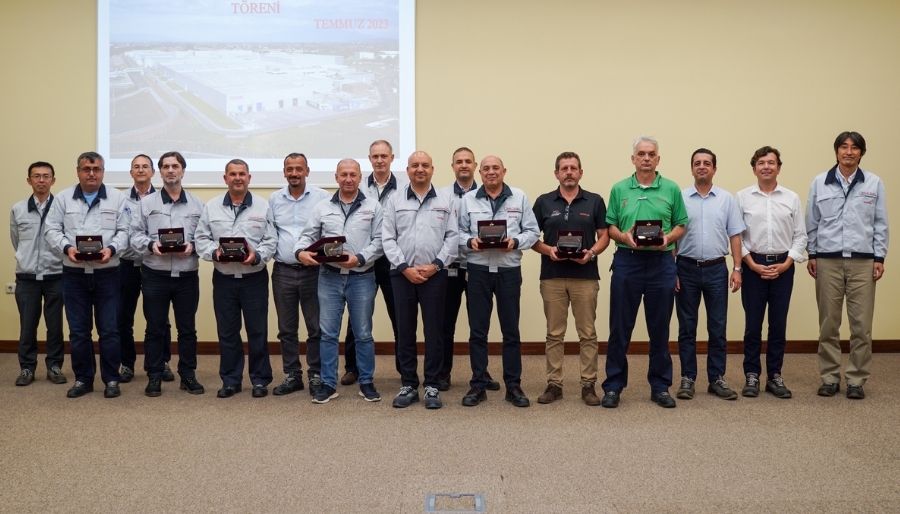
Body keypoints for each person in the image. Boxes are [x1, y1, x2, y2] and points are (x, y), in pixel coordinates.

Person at [601, 136, 687, 409]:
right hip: (628, 261)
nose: (646, 158)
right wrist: (623, 237)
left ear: (658, 159)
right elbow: (611, 227)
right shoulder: (619, 189)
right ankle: (613, 386)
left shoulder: (671, 188)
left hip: (661, 263)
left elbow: (681, 224)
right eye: (641, 154)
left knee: (660, 328)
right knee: (619, 327)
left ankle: (660, 386)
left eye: (651, 154)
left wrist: (668, 238)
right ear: (633, 159)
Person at [806, 131, 888, 400]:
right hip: (827, 261)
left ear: (861, 153)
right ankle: (829, 377)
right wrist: (812, 254)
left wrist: (879, 257)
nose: (849, 152)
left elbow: (880, 223)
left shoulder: (873, 183)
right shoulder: (820, 182)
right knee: (829, 324)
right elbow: (812, 222)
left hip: (863, 262)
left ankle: (856, 379)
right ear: (836, 151)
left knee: (861, 326)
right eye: (844, 147)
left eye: (854, 148)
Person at [295, 159, 384, 404]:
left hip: (362, 277)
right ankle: (327, 384)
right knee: (328, 334)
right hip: (329, 278)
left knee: (363, 333)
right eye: (343, 174)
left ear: (360, 177)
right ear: (336, 177)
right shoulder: (322, 207)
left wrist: (360, 258)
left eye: (353, 174)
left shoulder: (373, 206)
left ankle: (366, 382)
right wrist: (300, 252)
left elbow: (380, 240)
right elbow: (307, 236)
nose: (348, 179)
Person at [44, 151, 129, 398]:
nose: (91, 174)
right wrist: (66, 248)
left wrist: (112, 249)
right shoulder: (63, 198)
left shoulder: (117, 198)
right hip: (74, 274)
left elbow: (125, 231)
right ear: (78, 171)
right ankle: (83, 379)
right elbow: (51, 230)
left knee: (110, 330)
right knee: (79, 331)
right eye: (86, 169)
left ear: (103, 172)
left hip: (107, 273)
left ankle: (111, 379)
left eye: (96, 169)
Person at [458, 155, 540, 408]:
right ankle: (478, 384)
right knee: (478, 331)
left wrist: (515, 242)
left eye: (496, 168)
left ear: (504, 171)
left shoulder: (519, 197)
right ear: (480, 173)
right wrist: (469, 241)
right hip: (478, 270)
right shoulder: (467, 200)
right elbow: (456, 232)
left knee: (511, 331)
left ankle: (513, 386)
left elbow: (533, 232)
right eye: (486, 169)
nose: (491, 172)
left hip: (508, 271)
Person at [531, 151, 610, 405]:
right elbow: (530, 237)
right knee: (554, 333)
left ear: (580, 172)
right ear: (556, 173)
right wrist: (548, 250)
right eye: (564, 168)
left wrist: (591, 253)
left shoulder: (595, 201)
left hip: (585, 276)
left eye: (573, 168)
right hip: (552, 276)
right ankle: (554, 384)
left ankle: (588, 385)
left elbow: (605, 236)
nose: (568, 172)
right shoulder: (544, 202)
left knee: (587, 333)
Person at [195, 159, 277, 398]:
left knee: (257, 331)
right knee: (228, 331)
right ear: (225, 178)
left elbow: (271, 239)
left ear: (249, 178)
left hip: (254, 278)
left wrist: (256, 256)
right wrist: (214, 253)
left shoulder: (263, 206)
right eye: (233, 174)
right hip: (224, 279)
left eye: (242, 174)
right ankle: (231, 380)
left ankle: (260, 380)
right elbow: (201, 238)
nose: (238, 178)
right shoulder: (211, 207)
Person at [383, 151, 458, 409]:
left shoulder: (445, 200)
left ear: (432, 169)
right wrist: (405, 267)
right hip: (402, 274)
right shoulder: (394, 199)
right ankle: (408, 384)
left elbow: (452, 237)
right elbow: (388, 238)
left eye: (425, 165)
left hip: (435, 275)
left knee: (434, 330)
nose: (420, 169)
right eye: (415, 165)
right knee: (405, 330)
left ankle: (432, 385)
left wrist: (436, 265)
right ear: (407, 170)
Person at [130, 151, 205, 396]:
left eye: (175, 166)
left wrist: (194, 246)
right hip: (155, 274)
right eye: (166, 166)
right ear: (160, 172)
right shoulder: (146, 204)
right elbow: (134, 235)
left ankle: (188, 375)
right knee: (155, 328)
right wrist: (151, 245)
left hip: (186, 275)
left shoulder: (198, 204)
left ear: (183, 170)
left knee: (187, 329)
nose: (171, 170)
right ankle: (154, 376)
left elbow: (205, 237)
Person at [674, 148, 745, 401]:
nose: (702, 166)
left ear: (714, 168)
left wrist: (737, 268)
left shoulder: (726, 199)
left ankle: (717, 378)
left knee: (717, 326)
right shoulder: (680, 197)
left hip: (716, 269)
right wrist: (672, 270)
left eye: (707, 163)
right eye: (697, 163)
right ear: (692, 168)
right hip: (685, 268)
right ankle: (688, 378)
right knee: (687, 327)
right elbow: (672, 237)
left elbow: (735, 234)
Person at [736, 146, 807, 399]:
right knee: (752, 325)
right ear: (754, 168)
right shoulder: (742, 197)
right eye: (761, 163)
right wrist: (750, 264)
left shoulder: (791, 198)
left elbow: (800, 236)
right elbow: (736, 236)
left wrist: (787, 263)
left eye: (771, 162)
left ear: (778, 167)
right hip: (752, 266)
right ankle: (752, 375)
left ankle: (775, 375)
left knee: (778, 324)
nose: (766, 166)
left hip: (783, 267)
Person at [341, 140, 402, 386]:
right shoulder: (359, 186)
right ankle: (352, 368)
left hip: (392, 260)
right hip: (363, 259)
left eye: (384, 156)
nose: (379, 160)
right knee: (357, 317)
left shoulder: (403, 188)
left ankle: (404, 368)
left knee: (399, 315)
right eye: (375, 156)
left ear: (391, 158)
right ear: (369, 159)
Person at [438, 147, 499, 392]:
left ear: (475, 166)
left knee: (478, 325)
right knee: (445, 324)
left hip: (477, 266)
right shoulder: (441, 195)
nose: (463, 165)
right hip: (450, 268)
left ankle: (481, 373)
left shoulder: (487, 193)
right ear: (452, 166)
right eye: (458, 161)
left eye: (468, 161)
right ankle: (443, 373)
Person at [270, 153, 330, 397]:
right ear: (284, 172)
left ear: (307, 171)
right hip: (283, 271)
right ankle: (292, 375)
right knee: (286, 328)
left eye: (299, 169)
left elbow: (328, 231)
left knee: (316, 327)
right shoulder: (274, 199)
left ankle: (316, 374)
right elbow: (270, 233)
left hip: (314, 272)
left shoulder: (322, 197)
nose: (294, 173)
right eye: (290, 169)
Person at [117, 154, 173, 383]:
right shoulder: (120, 199)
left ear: (152, 172)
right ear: (131, 172)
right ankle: (127, 364)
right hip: (127, 265)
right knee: (123, 317)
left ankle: (161, 363)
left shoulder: (163, 198)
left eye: (145, 167)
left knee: (159, 319)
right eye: (136, 167)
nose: (140, 170)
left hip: (156, 265)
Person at [10, 161, 65, 386]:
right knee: (27, 326)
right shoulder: (18, 209)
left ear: (53, 180)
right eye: (36, 176)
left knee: (55, 326)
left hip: (56, 275)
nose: (41, 180)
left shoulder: (61, 208)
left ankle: (54, 366)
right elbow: (16, 241)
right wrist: (28, 260)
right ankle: (27, 368)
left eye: (46, 176)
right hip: (27, 278)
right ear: (29, 180)